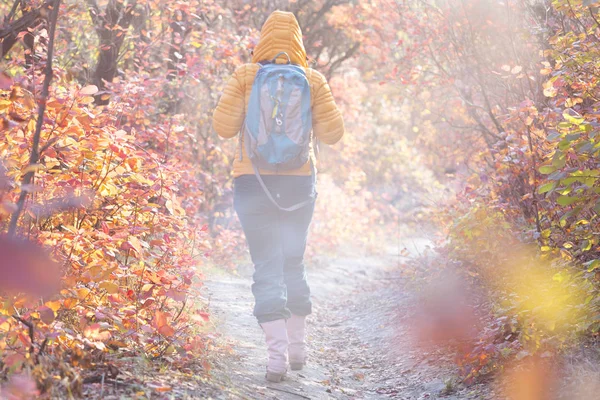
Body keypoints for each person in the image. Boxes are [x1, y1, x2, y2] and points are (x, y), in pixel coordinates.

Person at [212, 10, 345, 382]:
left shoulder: (245, 76)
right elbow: (334, 135)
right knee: (293, 261)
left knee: (266, 265)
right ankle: (299, 350)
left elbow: (223, 127)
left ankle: (275, 360)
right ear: (300, 42)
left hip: (252, 182)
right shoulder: (313, 80)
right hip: (299, 185)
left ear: (263, 39)